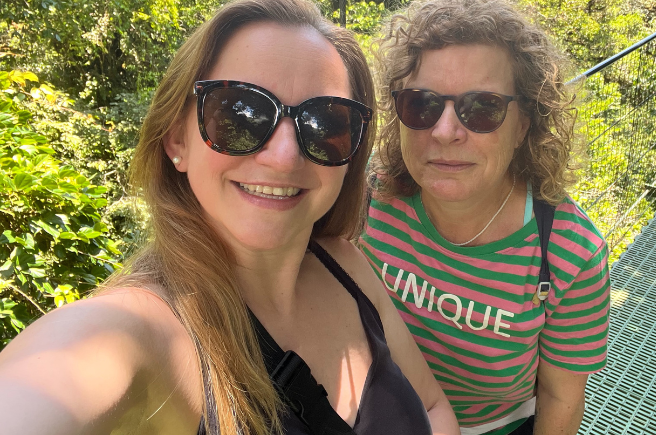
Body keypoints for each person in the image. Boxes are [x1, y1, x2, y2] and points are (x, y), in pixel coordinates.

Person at [0, 0, 460, 434]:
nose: (283, 157)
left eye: (325, 124)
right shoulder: (138, 332)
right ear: (177, 139)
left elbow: (434, 406)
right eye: (240, 113)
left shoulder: (347, 268)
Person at [359, 0, 610, 434]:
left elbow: (560, 396)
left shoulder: (570, 254)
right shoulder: (366, 201)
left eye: (482, 108)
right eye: (422, 104)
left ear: (523, 127)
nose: (445, 131)